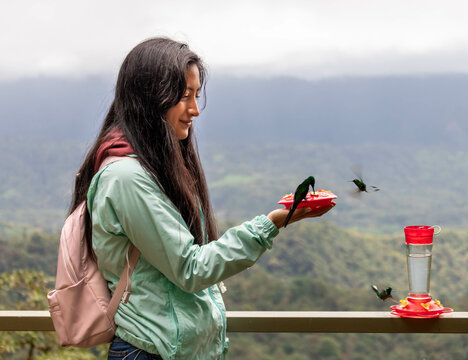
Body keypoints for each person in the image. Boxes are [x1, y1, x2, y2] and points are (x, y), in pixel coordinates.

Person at [70, 37, 335, 360]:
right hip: (149, 352)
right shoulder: (127, 179)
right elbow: (191, 269)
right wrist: (271, 223)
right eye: (184, 97)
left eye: (196, 95)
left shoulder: (156, 166)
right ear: (150, 97)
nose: (194, 109)